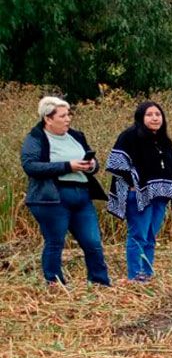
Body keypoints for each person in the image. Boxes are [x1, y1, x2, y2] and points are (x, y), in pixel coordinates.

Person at [20, 96, 111, 287]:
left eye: (69, 114)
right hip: (52, 198)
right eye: (62, 116)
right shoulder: (35, 138)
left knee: (93, 242)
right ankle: (54, 283)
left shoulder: (76, 136)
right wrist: (67, 166)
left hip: (82, 196)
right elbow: (31, 166)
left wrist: (92, 165)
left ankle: (100, 282)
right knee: (55, 242)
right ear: (48, 118)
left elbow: (91, 162)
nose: (68, 119)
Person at [104, 101, 172, 282]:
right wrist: (133, 183)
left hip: (160, 196)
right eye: (149, 114)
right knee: (138, 235)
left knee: (150, 236)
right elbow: (116, 163)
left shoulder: (164, 141)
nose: (155, 118)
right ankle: (135, 275)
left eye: (158, 114)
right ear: (141, 117)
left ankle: (147, 273)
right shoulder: (129, 136)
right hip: (139, 195)